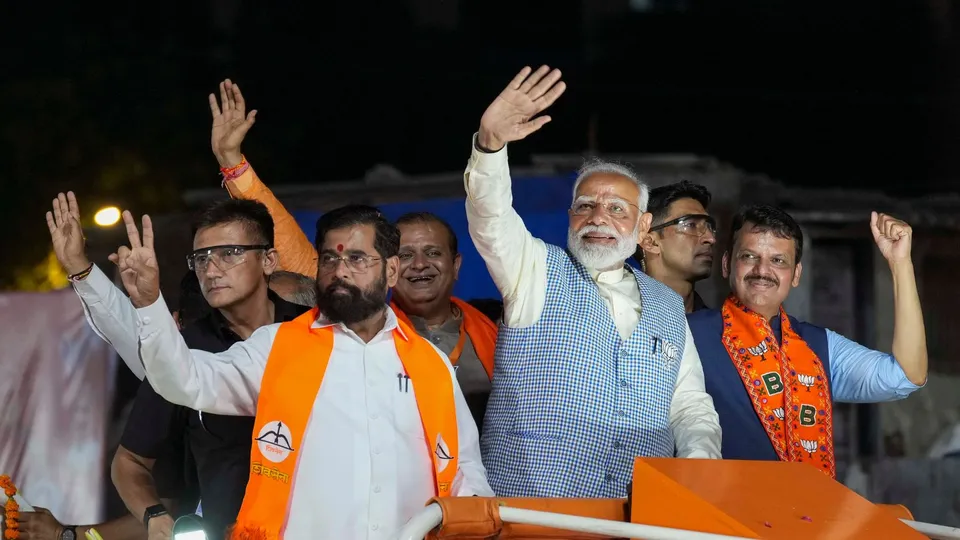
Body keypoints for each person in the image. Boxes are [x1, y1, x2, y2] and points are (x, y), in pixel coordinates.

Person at [71, 202, 491, 539]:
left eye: (357, 259)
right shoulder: (279, 345)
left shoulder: (429, 363)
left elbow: (465, 471)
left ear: (392, 270)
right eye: (329, 259)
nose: (340, 271)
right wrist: (148, 304)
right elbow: (185, 381)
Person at [465, 65, 721, 498]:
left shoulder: (667, 304)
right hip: (531, 512)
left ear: (643, 227)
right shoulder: (534, 269)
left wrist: (697, 468)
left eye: (617, 209)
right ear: (570, 217)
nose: (598, 217)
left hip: (636, 514)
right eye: (585, 206)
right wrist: (490, 145)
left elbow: (690, 405)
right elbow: (491, 219)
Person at [207, 78, 499, 423]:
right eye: (406, 255)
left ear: (456, 264)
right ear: (389, 267)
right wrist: (232, 162)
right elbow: (289, 245)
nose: (420, 264)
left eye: (433, 253)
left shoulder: (497, 326)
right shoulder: (356, 321)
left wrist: (491, 149)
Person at [46, 192, 308, 539]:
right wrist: (154, 516)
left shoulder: (315, 332)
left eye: (230, 253)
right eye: (201, 258)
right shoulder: (183, 352)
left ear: (269, 260)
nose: (211, 270)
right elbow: (130, 460)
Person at [687, 205, 927, 477]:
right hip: (717, 501)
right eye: (749, 256)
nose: (762, 270)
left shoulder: (818, 346)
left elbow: (905, 375)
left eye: (778, 261)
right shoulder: (690, 333)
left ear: (796, 274)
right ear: (727, 264)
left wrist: (900, 264)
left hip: (808, 503)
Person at [638, 180, 716, 313]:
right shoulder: (618, 316)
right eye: (691, 225)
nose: (710, 238)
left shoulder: (717, 324)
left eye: (710, 227)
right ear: (650, 242)